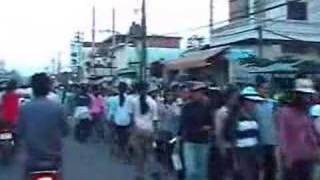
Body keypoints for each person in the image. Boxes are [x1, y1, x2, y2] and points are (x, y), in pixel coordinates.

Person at [17, 73, 69, 176]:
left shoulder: (25, 108)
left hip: (32, 159)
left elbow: (20, 131)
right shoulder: (58, 108)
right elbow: (65, 130)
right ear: (48, 88)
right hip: (53, 158)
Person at [276, 77, 319, 180]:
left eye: (309, 95)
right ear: (297, 95)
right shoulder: (285, 113)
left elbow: (311, 134)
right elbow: (283, 136)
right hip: (293, 161)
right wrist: (286, 157)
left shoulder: (306, 113)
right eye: (305, 95)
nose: (308, 98)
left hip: (308, 159)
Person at [179, 82, 212, 180]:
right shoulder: (187, 107)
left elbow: (210, 123)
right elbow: (185, 125)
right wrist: (201, 128)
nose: (199, 94)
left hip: (203, 141)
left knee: (202, 171)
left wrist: (208, 128)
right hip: (189, 141)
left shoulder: (207, 106)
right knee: (191, 171)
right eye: (196, 92)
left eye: (201, 92)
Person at [232, 86, 264, 180]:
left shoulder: (254, 117)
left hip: (254, 151)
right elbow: (233, 139)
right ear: (245, 102)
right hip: (242, 153)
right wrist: (235, 160)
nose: (254, 104)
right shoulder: (236, 117)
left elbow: (257, 137)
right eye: (252, 102)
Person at [129, 82, 158, 180]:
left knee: (139, 154)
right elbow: (155, 119)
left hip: (137, 130)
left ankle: (140, 174)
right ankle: (153, 171)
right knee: (150, 153)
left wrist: (131, 130)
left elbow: (131, 116)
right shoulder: (153, 102)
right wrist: (155, 133)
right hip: (149, 130)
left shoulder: (133, 101)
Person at [213, 84, 240, 180]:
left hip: (237, 147)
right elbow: (219, 133)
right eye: (234, 96)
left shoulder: (237, 111)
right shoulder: (222, 112)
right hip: (227, 147)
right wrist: (222, 149)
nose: (236, 99)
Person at [255, 76, 279, 180]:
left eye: (267, 89)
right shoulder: (253, 104)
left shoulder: (273, 104)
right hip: (257, 142)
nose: (265, 91)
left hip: (271, 142)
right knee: (258, 169)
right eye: (263, 88)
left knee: (271, 169)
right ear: (258, 89)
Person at [108, 82, 132, 161]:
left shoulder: (113, 99)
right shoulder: (130, 99)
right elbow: (131, 112)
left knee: (119, 139)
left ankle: (122, 155)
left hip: (118, 122)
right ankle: (126, 155)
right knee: (127, 139)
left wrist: (110, 121)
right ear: (126, 89)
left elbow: (112, 112)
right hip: (127, 121)